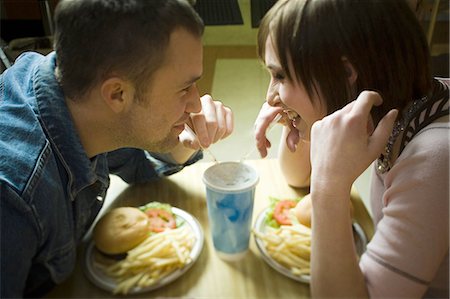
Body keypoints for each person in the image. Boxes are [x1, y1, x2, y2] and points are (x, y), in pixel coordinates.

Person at [0, 0, 233, 297]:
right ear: (117, 93)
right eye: (184, 88)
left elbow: (138, 162)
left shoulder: (82, 96)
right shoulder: (12, 197)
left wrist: (187, 141)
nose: (197, 103)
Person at [253, 0, 448, 297]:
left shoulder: (434, 160)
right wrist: (300, 121)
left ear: (346, 72)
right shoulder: (406, 102)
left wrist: (330, 186)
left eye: (279, 76)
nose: (270, 97)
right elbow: (297, 178)